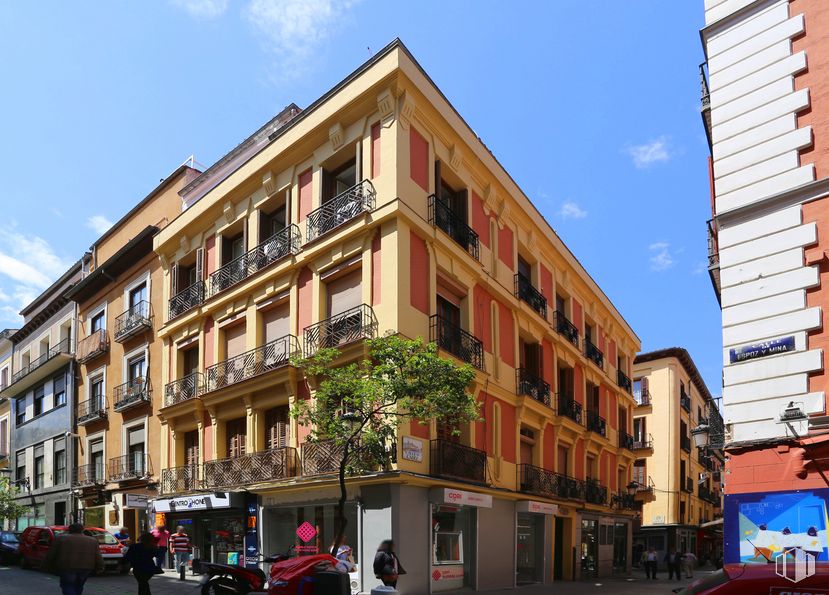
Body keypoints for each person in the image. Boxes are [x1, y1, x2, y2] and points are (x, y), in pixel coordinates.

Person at [43, 523, 104, 595]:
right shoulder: (92, 540)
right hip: (86, 567)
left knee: (68, 585)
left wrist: (46, 565)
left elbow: (51, 554)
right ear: (82, 530)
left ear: (69, 530)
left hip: (66, 567)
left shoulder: (60, 539)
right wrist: (100, 567)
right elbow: (97, 555)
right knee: (79, 585)